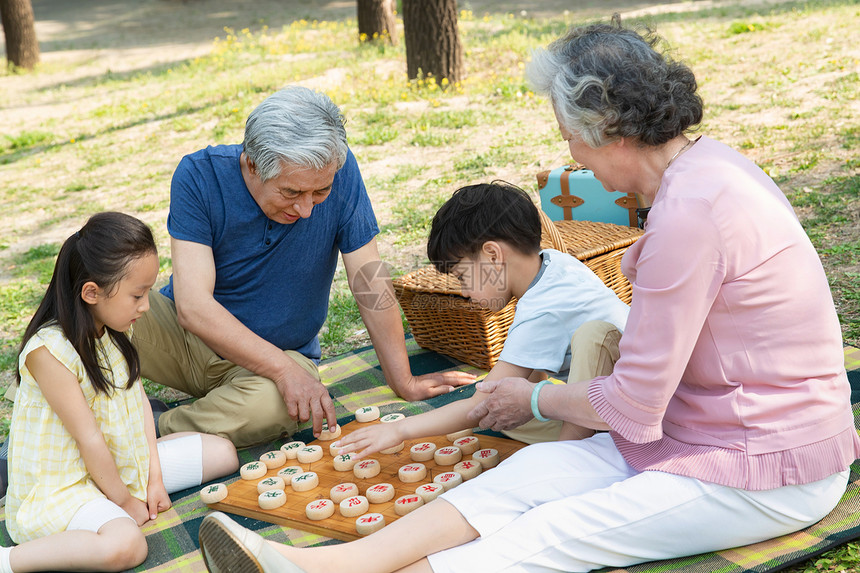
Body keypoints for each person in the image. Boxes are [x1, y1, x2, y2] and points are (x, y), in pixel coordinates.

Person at [195, 17, 860, 573]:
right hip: (694, 431)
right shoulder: (705, 170)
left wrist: (535, 397)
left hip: (765, 465)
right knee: (523, 478)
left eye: (569, 133)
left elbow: (632, 404)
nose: (569, 152)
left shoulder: (691, 215)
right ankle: (320, 566)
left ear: (607, 126)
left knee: (554, 528)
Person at [132, 86, 472, 448]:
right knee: (86, 310)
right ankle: (193, 419)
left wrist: (402, 379)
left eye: (320, 192)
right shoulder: (199, 175)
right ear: (250, 164)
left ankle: (151, 428)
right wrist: (282, 371)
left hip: (283, 352)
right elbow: (193, 307)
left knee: (283, 406)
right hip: (185, 342)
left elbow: (367, 278)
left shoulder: (340, 170)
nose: (307, 209)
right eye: (291, 193)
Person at [1, 212, 238, 573]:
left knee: (224, 454)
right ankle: (8, 561)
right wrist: (126, 501)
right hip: (66, 486)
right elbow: (89, 439)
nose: (146, 305)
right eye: (138, 295)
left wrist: (154, 478)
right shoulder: (48, 352)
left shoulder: (115, 328)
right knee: (127, 545)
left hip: (116, 463)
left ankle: (117, 499)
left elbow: (139, 402)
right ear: (91, 292)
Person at [331, 180, 630, 451]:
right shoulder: (555, 263)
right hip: (613, 398)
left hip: (626, 408)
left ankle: (571, 455)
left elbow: (481, 401)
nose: (466, 293)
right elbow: (530, 374)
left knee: (486, 408)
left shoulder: (543, 309)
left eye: (463, 277)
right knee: (504, 415)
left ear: (492, 255)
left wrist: (400, 430)